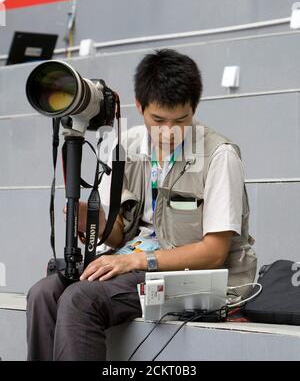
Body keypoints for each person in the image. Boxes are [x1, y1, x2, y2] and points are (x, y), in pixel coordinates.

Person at [26, 49, 257, 361]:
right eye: (158, 120)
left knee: (81, 298)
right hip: (132, 260)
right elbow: (118, 235)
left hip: (193, 276)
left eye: (181, 120)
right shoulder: (129, 144)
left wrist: (137, 262)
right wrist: (88, 219)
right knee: (43, 294)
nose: (169, 132)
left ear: (194, 107)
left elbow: (214, 253)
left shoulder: (219, 155)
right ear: (139, 106)